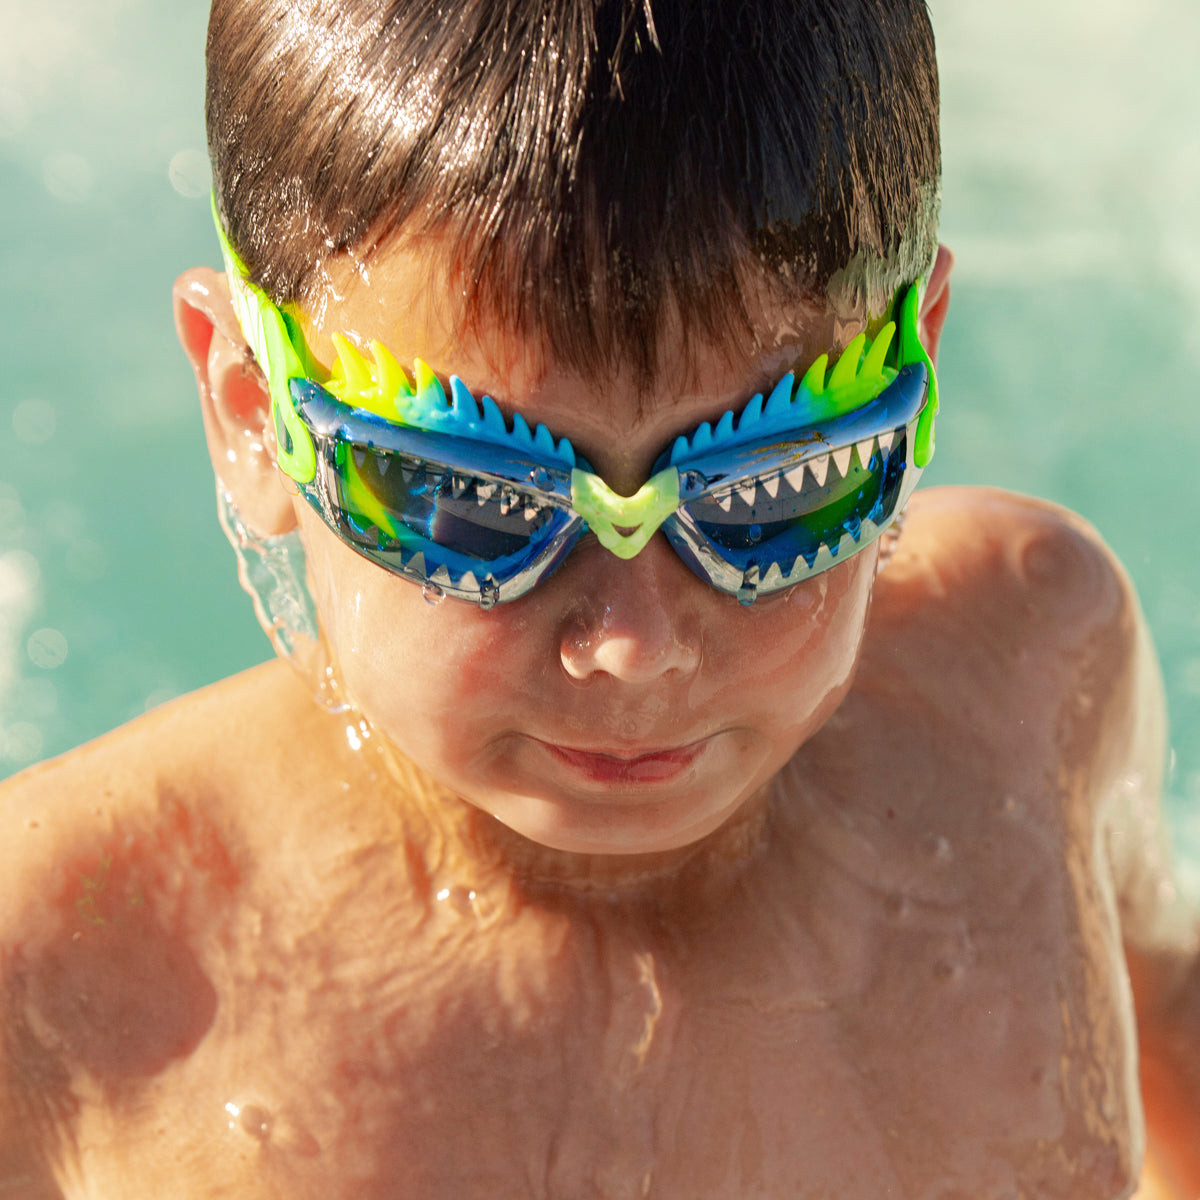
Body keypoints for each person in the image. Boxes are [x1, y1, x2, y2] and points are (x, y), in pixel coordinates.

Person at [1, 0, 1197, 1196]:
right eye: (471, 499)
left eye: (777, 485)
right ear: (251, 414)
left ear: (921, 364)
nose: (635, 642)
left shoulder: (1035, 674)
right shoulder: (47, 987)